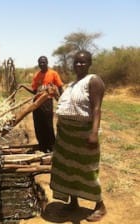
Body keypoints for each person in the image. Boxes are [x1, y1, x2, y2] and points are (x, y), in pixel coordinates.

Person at [49, 50, 107, 222]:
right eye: (76, 62)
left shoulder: (94, 81)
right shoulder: (72, 84)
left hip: (83, 134)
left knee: (87, 171)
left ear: (89, 64)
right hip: (66, 136)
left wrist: (94, 133)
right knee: (68, 170)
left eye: (83, 62)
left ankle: (100, 206)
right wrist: (56, 96)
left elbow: (96, 109)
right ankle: (73, 203)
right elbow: (69, 105)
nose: (79, 65)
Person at [31, 56, 63, 153]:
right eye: (40, 63)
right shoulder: (36, 75)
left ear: (47, 62)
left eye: (43, 62)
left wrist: (62, 100)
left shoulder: (53, 74)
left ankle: (52, 146)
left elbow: (60, 87)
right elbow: (35, 91)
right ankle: (42, 146)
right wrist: (23, 87)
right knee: (38, 125)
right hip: (36, 103)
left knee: (48, 125)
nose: (42, 64)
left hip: (47, 102)